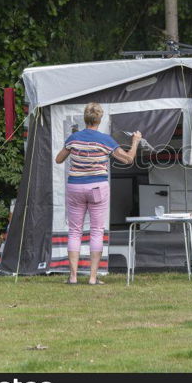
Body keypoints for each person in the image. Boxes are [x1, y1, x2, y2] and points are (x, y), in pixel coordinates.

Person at [55, 102, 141, 285]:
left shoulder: (74, 138)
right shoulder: (105, 139)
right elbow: (128, 159)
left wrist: (73, 148)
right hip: (97, 188)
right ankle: (93, 277)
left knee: (75, 231)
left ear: (85, 118)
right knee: (96, 231)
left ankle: (73, 276)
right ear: (99, 119)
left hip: (75, 187)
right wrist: (135, 141)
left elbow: (59, 159)